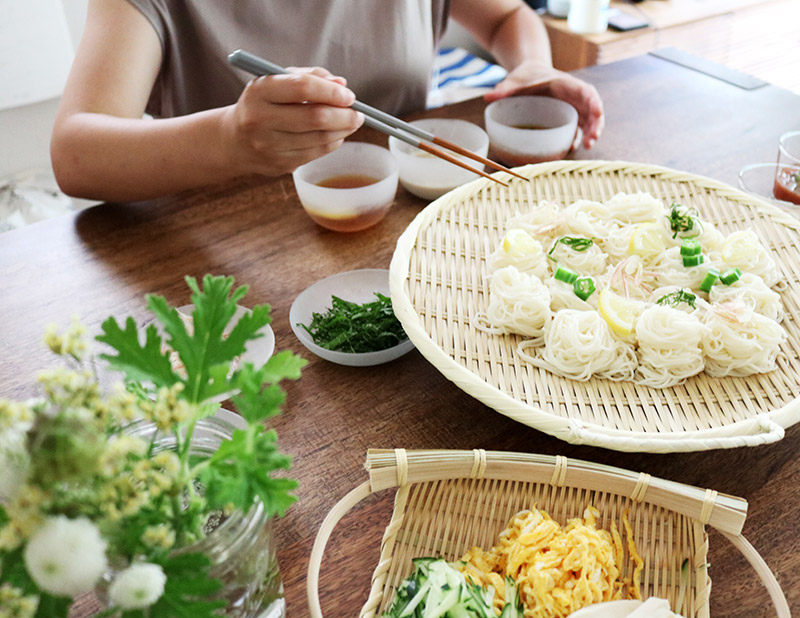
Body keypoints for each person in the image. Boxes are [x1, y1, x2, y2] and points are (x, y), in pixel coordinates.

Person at [51, 0, 604, 202]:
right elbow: (76, 153)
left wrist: (531, 65)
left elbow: (509, 16)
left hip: (404, 208)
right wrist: (228, 140)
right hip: (226, 242)